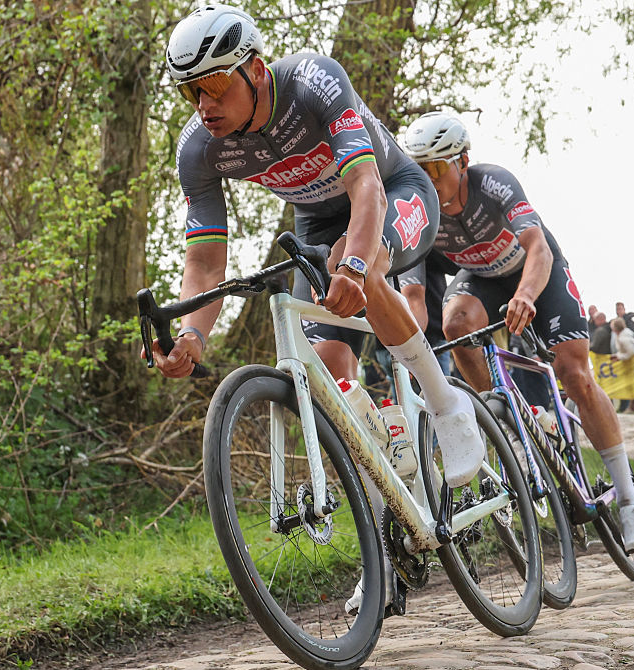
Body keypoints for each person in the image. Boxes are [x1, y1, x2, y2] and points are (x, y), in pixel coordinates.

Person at [154, 6, 490, 615]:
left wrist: (359, 264)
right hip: (313, 217)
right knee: (331, 378)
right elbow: (205, 261)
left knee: (354, 258)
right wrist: (191, 337)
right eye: (189, 90)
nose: (202, 104)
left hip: (394, 191)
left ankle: (447, 406)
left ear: (254, 69)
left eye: (213, 84)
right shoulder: (199, 151)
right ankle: (384, 542)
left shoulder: (312, 81)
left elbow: (367, 187)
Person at [401, 112, 634, 550]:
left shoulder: (493, 183)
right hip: (479, 276)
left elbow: (538, 246)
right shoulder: (419, 208)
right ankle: (513, 423)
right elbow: (416, 296)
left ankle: (629, 499)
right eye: (419, 169)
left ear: (462, 161)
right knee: (456, 324)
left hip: (535, 271)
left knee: (575, 376)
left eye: (438, 168)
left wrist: (527, 295)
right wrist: (404, 346)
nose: (429, 179)